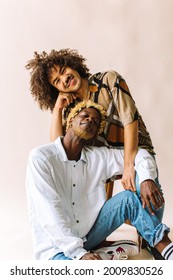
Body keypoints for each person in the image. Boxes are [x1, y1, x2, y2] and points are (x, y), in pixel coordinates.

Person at [25, 49, 164, 258]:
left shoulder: (107, 80)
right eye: (56, 81)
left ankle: (155, 245)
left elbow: (129, 120)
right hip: (99, 166)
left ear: (74, 64)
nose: (64, 79)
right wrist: (58, 109)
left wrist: (129, 167)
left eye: (64, 71)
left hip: (133, 152)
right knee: (94, 209)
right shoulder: (73, 107)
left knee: (148, 201)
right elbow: (57, 148)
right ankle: (94, 243)